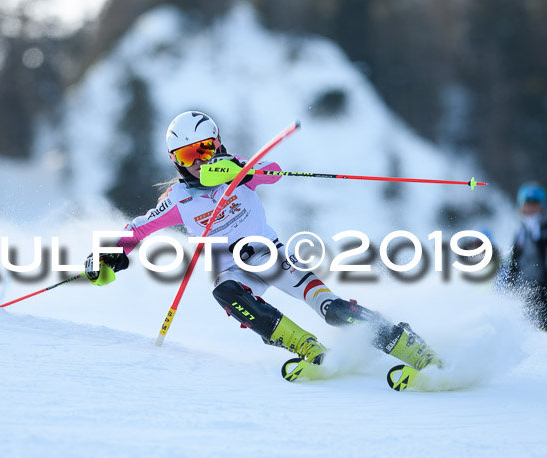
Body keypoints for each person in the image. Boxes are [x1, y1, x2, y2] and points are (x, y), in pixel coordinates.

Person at [85, 111, 442, 374]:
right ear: (176, 161)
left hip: (273, 257)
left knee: (332, 309)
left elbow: (271, 172)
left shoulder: (238, 174)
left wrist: (243, 170)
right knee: (225, 292)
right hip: (234, 270)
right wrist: (110, 253)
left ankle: (407, 344)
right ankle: (307, 347)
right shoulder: (179, 200)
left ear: (218, 144)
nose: (200, 161)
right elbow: (140, 227)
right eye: (189, 155)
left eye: (206, 148)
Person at [497, 182, 547, 330]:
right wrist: (509, 288)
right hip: (523, 293)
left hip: (542, 293)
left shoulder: (542, 230)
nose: (530, 208)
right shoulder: (521, 231)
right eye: (527, 204)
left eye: (534, 204)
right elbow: (514, 262)